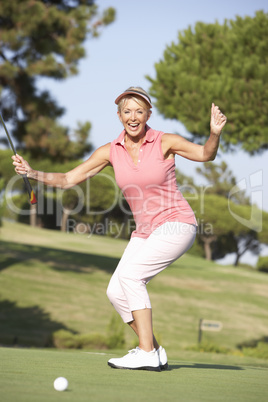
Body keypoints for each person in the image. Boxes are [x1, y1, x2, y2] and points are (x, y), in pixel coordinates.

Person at [12, 86, 227, 372]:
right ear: (119, 116)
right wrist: (32, 173)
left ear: (149, 114)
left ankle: (146, 351)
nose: (133, 116)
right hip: (145, 231)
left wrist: (214, 134)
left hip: (177, 223)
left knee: (131, 276)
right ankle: (154, 349)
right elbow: (67, 179)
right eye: (127, 111)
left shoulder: (165, 142)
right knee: (116, 290)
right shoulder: (110, 151)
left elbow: (205, 155)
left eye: (140, 110)